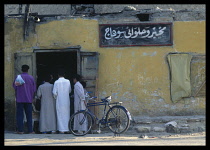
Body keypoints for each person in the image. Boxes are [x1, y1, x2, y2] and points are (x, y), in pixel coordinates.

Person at [12, 65, 36, 134]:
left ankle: (20, 130)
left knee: (20, 115)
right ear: (28, 70)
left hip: (20, 99)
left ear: (21, 69)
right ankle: (30, 130)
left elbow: (15, 86)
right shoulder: (31, 78)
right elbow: (34, 89)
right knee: (29, 115)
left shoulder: (18, 77)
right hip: (28, 99)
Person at [52, 69, 71, 134]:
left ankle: (61, 130)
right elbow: (69, 91)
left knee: (60, 115)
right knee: (67, 114)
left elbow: (54, 93)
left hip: (59, 101)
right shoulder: (68, 81)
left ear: (58, 75)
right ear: (64, 75)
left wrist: (56, 97)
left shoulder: (56, 82)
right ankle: (67, 129)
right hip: (66, 101)